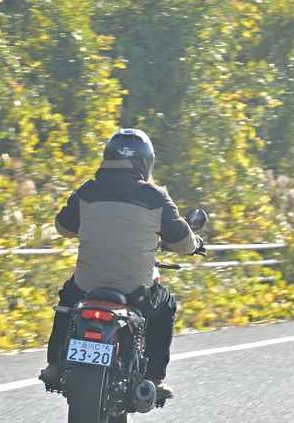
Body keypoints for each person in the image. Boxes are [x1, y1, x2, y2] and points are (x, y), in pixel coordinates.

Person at [38, 128, 200, 399]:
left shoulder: (88, 190)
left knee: (66, 303)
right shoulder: (156, 197)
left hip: (87, 286)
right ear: (145, 161)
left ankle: (54, 365)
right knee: (166, 306)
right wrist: (196, 245)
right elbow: (183, 241)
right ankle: (154, 378)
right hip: (135, 290)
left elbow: (63, 227)